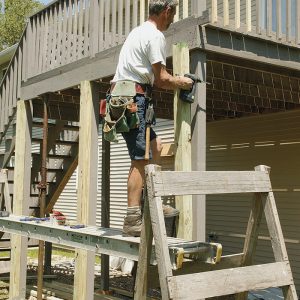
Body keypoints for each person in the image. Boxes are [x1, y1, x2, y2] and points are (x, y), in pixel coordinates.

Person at [111, 0, 193, 237]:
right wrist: (183, 82)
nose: (173, 20)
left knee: (154, 147)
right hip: (133, 98)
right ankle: (132, 219)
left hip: (128, 95)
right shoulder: (155, 36)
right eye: (173, 14)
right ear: (166, 11)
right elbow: (162, 79)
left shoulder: (137, 32)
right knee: (140, 158)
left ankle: (147, 205)